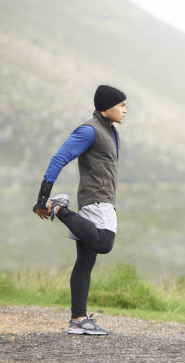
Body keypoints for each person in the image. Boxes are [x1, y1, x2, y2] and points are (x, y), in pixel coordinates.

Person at [33, 84, 127, 335]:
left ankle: (78, 320)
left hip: (99, 200)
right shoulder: (90, 130)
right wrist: (43, 198)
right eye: (121, 105)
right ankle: (60, 210)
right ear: (107, 107)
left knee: (85, 263)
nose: (125, 110)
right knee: (104, 243)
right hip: (97, 201)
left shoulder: (111, 131)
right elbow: (59, 158)